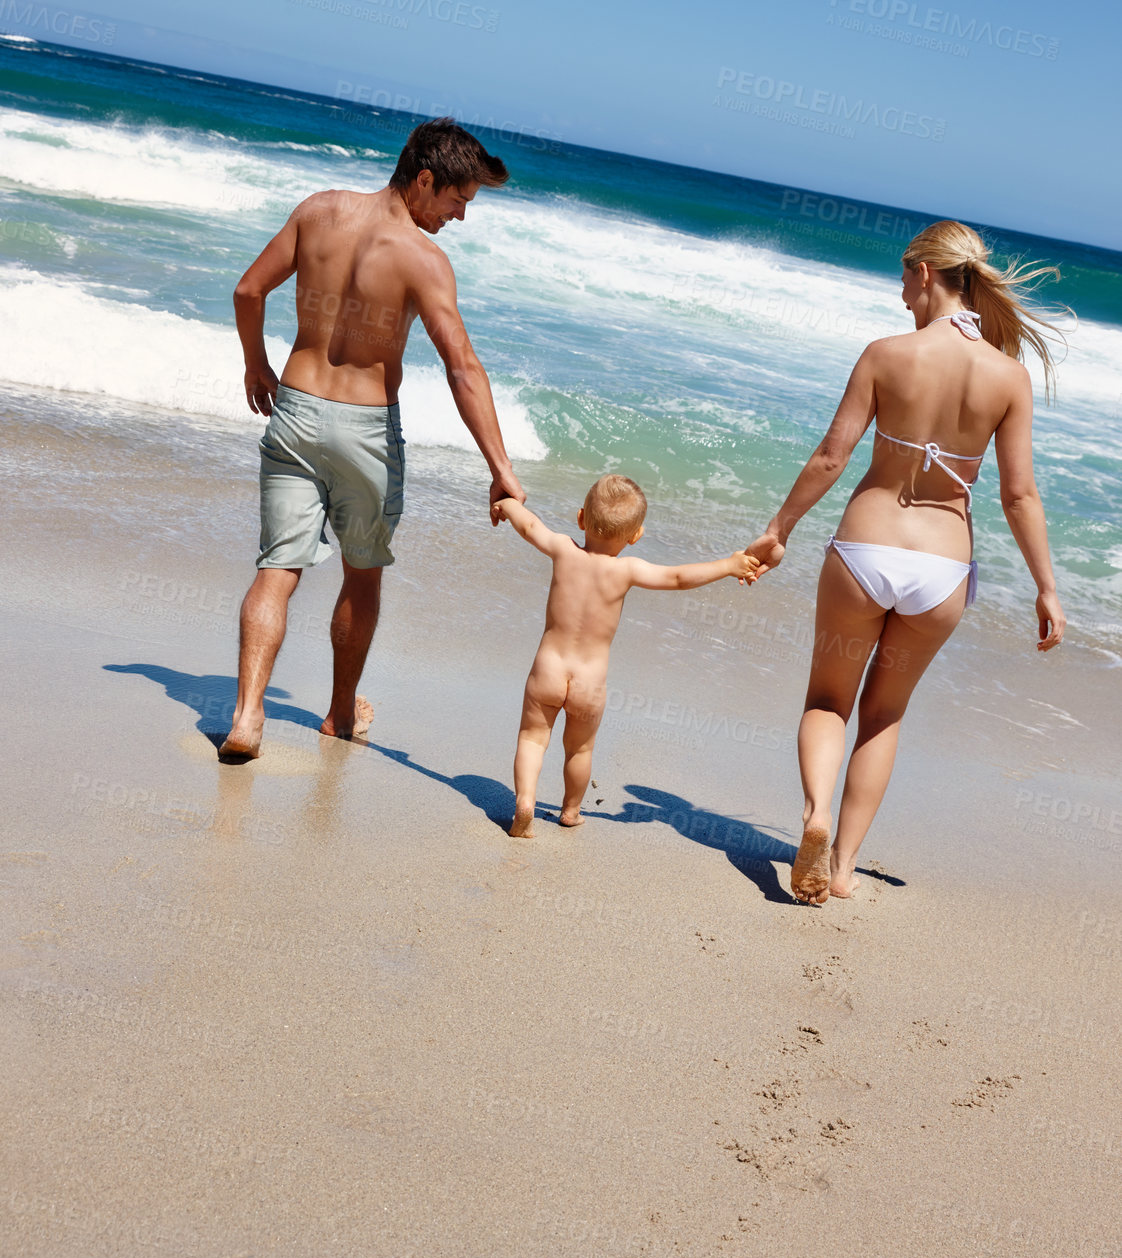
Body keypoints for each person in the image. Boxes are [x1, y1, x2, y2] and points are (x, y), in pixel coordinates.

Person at [745, 220, 1067, 905]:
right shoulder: (1008, 375)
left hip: (864, 552)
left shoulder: (884, 355)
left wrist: (779, 528)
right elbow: (1018, 494)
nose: (899, 288)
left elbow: (832, 457)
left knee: (828, 700)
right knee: (884, 714)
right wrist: (1046, 586)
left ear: (927, 273)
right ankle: (844, 866)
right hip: (942, 571)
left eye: (903, 273)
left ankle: (816, 817)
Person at [218, 119, 527, 762]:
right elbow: (462, 366)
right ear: (423, 179)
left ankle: (248, 716)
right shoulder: (423, 259)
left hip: (295, 415)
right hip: (364, 434)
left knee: (277, 570)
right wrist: (500, 467)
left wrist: (256, 364)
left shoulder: (317, 212)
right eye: (457, 200)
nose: (460, 217)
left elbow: (249, 290)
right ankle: (337, 714)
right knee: (362, 574)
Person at [496, 475, 763, 837]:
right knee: (579, 750)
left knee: (532, 738)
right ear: (635, 536)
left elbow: (529, 526)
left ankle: (525, 802)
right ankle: (571, 811)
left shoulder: (562, 548)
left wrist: (507, 504)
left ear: (580, 518)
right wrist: (728, 565)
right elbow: (679, 578)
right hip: (590, 682)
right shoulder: (628, 569)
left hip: (548, 669)